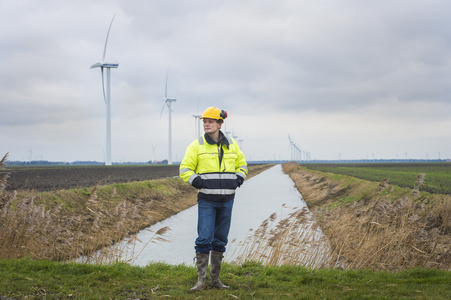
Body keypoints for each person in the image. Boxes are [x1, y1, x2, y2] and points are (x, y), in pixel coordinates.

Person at [179, 106, 248, 291]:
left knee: (220, 240)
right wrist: (198, 181)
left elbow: (242, 165)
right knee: (204, 238)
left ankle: (215, 280)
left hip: (227, 200)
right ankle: (201, 281)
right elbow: (184, 169)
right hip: (207, 201)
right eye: (204, 121)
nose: (206, 124)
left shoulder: (232, 144)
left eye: (210, 121)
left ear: (220, 123)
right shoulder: (197, 145)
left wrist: (239, 179)